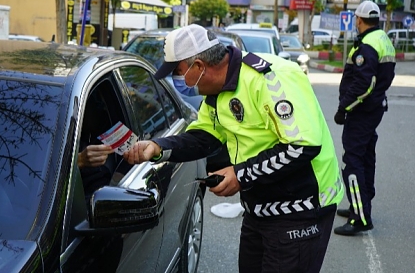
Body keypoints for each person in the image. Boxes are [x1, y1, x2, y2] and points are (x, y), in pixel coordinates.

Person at [123, 24, 344, 272]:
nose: (177, 80)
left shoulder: (271, 78)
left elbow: (302, 145)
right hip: (258, 208)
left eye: (177, 72)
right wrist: (157, 147)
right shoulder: (217, 93)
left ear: (198, 67)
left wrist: (241, 174)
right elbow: (204, 135)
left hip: (301, 208)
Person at [332, 0, 396, 236]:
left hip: (362, 112)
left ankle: (360, 217)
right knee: (366, 159)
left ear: (358, 20)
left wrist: (344, 108)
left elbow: (364, 84)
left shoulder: (367, 45)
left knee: (353, 162)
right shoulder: (383, 39)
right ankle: (361, 205)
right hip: (374, 109)